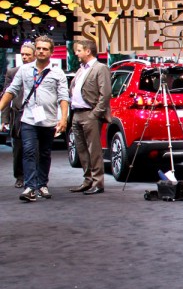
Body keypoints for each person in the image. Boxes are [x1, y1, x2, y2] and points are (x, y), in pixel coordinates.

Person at [0, 35, 69, 202]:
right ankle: (30, 187)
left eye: (45, 49)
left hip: (48, 119)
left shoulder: (57, 73)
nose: (41, 51)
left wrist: (63, 118)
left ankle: (42, 184)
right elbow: (12, 90)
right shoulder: (24, 70)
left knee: (44, 153)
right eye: (39, 48)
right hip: (28, 119)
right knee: (29, 151)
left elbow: (63, 97)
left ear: (51, 52)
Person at [68, 39, 112, 195]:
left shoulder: (100, 68)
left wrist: (96, 113)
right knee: (81, 149)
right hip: (77, 113)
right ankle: (87, 180)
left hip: (90, 113)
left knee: (94, 150)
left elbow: (105, 93)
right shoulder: (81, 69)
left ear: (88, 51)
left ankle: (98, 182)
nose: (76, 53)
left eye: (79, 50)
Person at [2, 42, 36, 188]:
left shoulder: (40, 71)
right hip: (18, 115)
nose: (25, 57)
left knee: (36, 149)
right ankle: (20, 177)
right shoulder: (12, 72)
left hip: (36, 115)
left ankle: (36, 178)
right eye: (23, 54)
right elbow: (6, 96)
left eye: (28, 54)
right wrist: (4, 119)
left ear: (34, 55)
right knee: (18, 149)